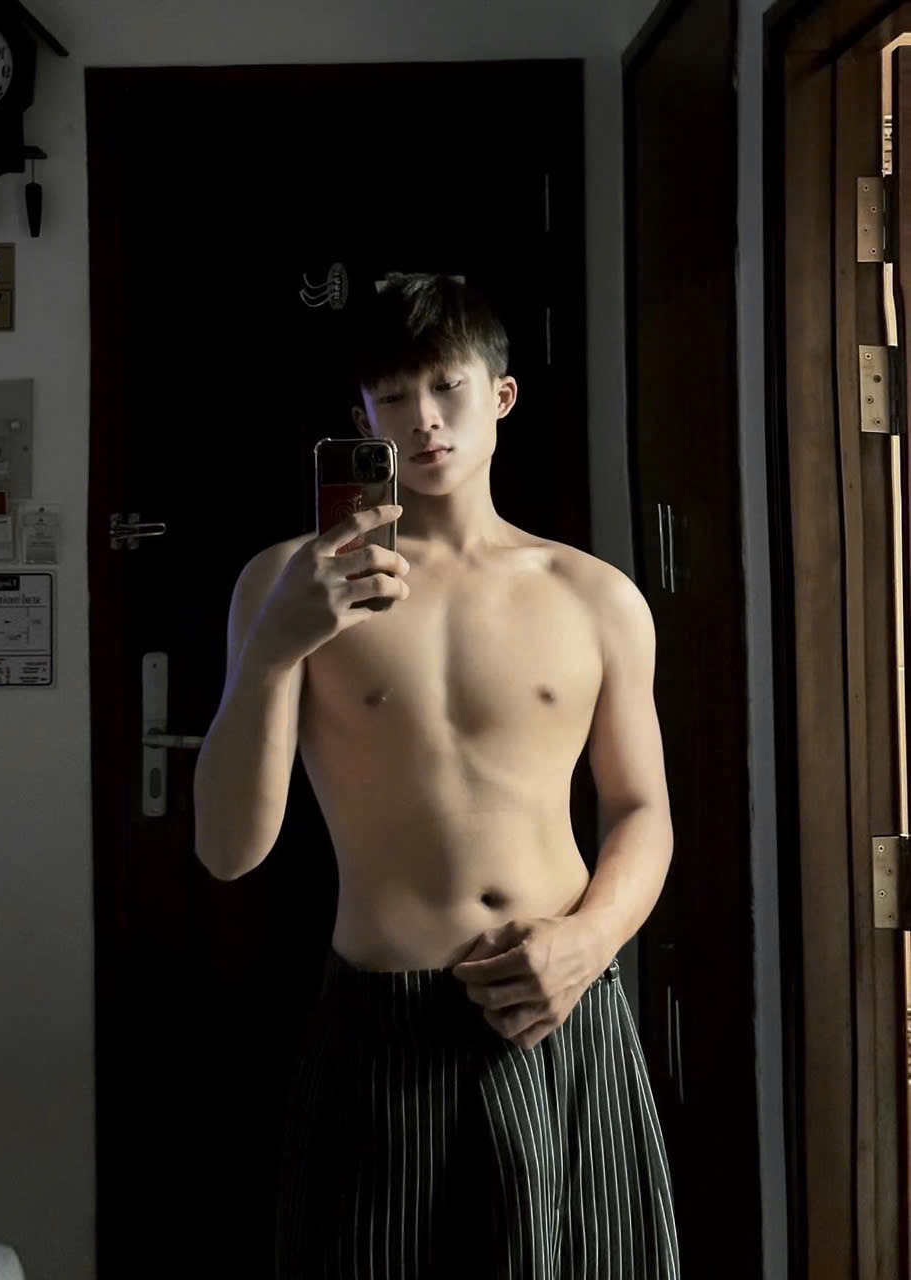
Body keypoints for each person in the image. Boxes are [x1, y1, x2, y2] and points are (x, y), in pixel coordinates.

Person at [193, 273, 680, 1278]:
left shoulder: (595, 596)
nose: (422, 418)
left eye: (446, 386)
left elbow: (641, 809)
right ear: (361, 419)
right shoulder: (287, 583)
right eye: (392, 394)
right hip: (383, 1020)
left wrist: (588, 941)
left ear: (500, 395)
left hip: (559, 1003)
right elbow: (229, 850)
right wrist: (275, 648)